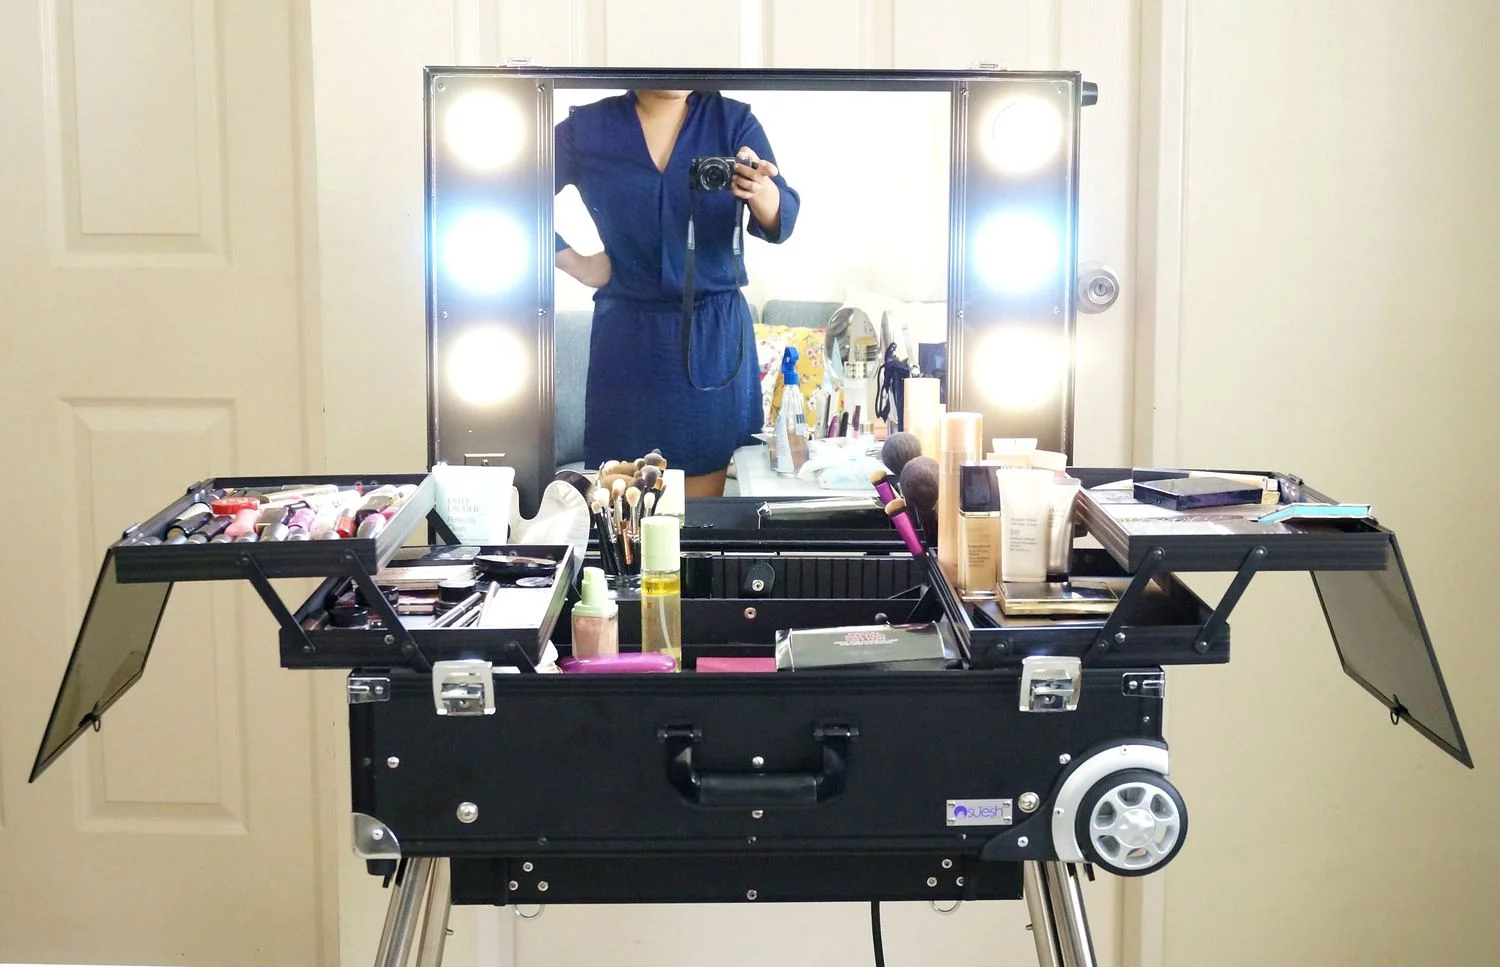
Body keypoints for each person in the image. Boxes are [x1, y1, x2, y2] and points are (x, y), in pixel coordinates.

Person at [554, 89, 801, 498]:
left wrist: (761, 192)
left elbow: (783, 220)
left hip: (713, 341)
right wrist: (573, 262)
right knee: (623, 513)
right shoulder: (588, 128)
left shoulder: (731, 121)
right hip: (627, 344)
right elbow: (506, 190)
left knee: (702, 518)